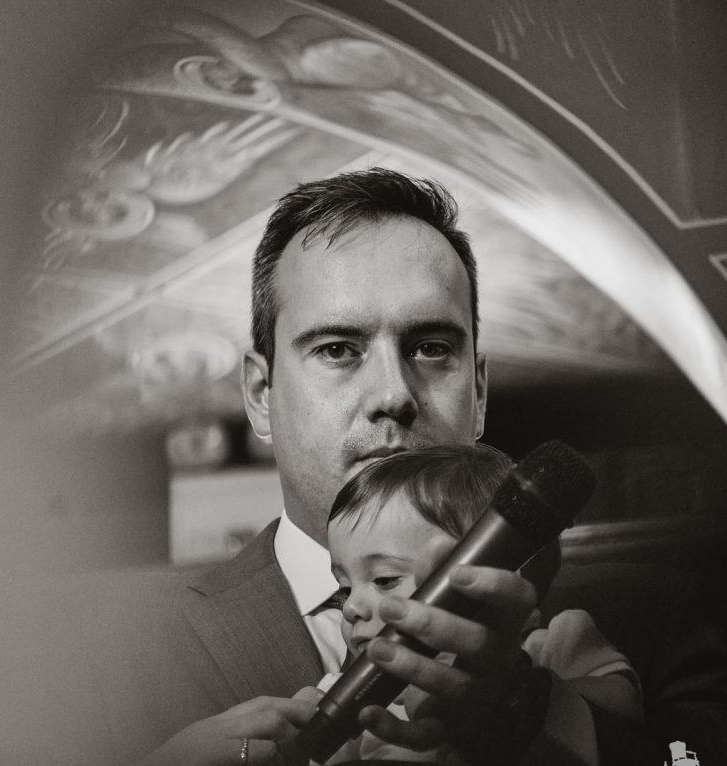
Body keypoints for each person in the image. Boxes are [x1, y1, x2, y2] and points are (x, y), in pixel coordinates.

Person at [62, 168, 727, 766]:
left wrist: (534, 715)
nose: (394, 394)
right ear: (261, 395)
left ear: (480, 392)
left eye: (431, 348)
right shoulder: (98, 652)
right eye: (338, 349)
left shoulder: (653, 612)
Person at [319, 443, 642, 764]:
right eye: (345, 588)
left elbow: (623, 704)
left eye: (385, 579)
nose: (350, 607)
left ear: (494, 579)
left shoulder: (551, 646)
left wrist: (527, 691)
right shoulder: (339, 694)